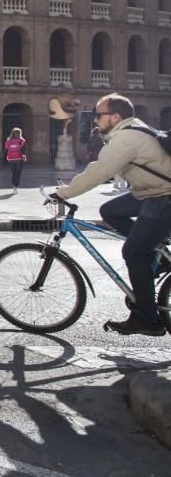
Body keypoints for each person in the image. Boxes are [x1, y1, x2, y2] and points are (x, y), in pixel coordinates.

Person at [49, 93, 171, 336]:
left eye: (99, 115)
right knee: (110, 210)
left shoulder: (126, 138)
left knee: (133, 252)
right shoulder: (131, 129)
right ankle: (157, 255)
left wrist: (64, 193)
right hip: (150, 192)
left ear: (115, 117)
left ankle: (149, 320)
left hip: (163, 197)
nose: (95, 120)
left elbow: (99, 171)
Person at [4, 127, 27, 192]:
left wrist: (6, 157)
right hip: (18, 158)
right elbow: (24, 149)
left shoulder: (8, 140)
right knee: (18, 173)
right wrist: (24, 156)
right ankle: (15, 187)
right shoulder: (22, 140)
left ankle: (14, 186)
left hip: (10, 158)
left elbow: (5, 149)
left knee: (14, 172)